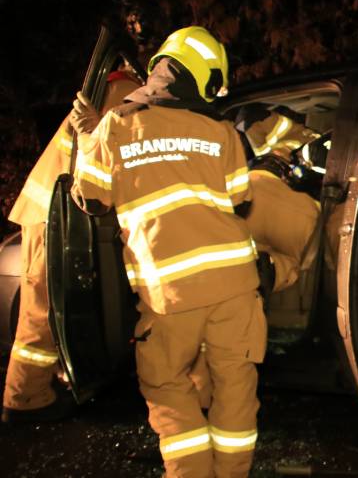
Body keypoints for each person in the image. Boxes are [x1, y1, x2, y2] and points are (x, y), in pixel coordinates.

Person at [70, 26, 265, 478]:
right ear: (204, 76)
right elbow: (240, 199)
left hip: (169, 293)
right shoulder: (220, 130)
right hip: (235, 284)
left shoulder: (116, 126)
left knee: (167, 386)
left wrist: (87, 138)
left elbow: (90, 200)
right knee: (235, 384)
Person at [1, 67, 141, 425]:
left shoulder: (116, 89)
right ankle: (25, 400)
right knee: (41, 309)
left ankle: (53, 381)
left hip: (55, 207)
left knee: (51, 305)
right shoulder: (125, 95)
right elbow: (110, 154)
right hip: (54, 213)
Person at [235, 104, 322, 295]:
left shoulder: (289, 134)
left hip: (250, 203)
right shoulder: (315, 143)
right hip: (304, 219)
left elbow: (249, 116)